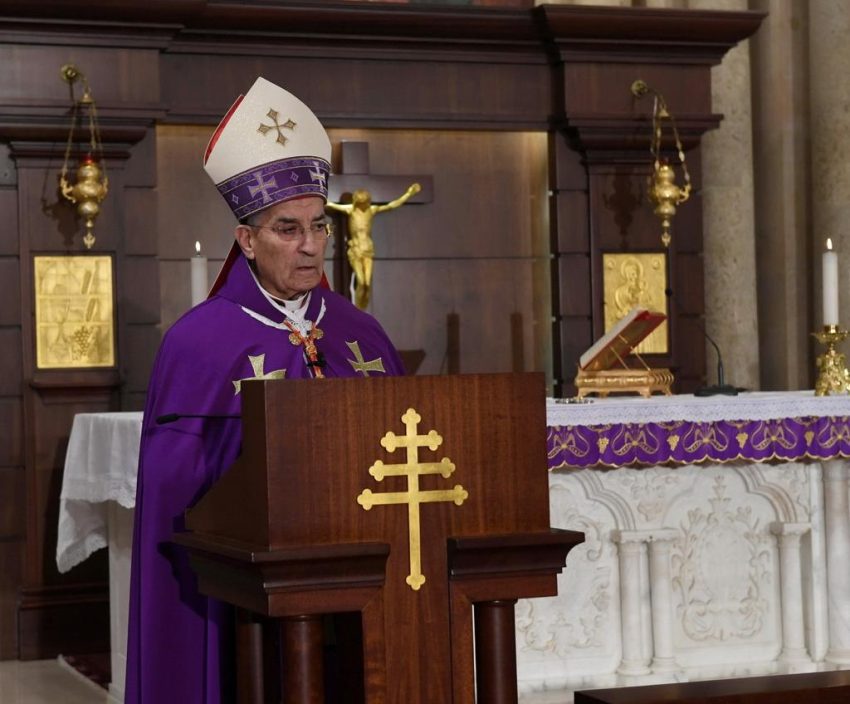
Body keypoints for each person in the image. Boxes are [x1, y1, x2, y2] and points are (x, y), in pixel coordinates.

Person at [125, 77, 405, 704]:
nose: (309, 245)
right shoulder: (197, 343)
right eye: (287, 229)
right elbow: (178, 495)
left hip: (356, 572)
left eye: (318, 226)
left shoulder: (361, 331)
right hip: (241, 593)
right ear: (247, 241)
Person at [326, 183, 420, 309]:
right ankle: (358, 309)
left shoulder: (371, 210)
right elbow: (330, 204)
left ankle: (361, 307)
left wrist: (409, 194)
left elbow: (391, 205)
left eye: (365, 202)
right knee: (361, 282)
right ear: (356, 202)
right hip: (355, 250)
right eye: (361, 203)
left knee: (367, 283)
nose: (363, 205)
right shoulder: (350, 210)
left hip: (368, 249)